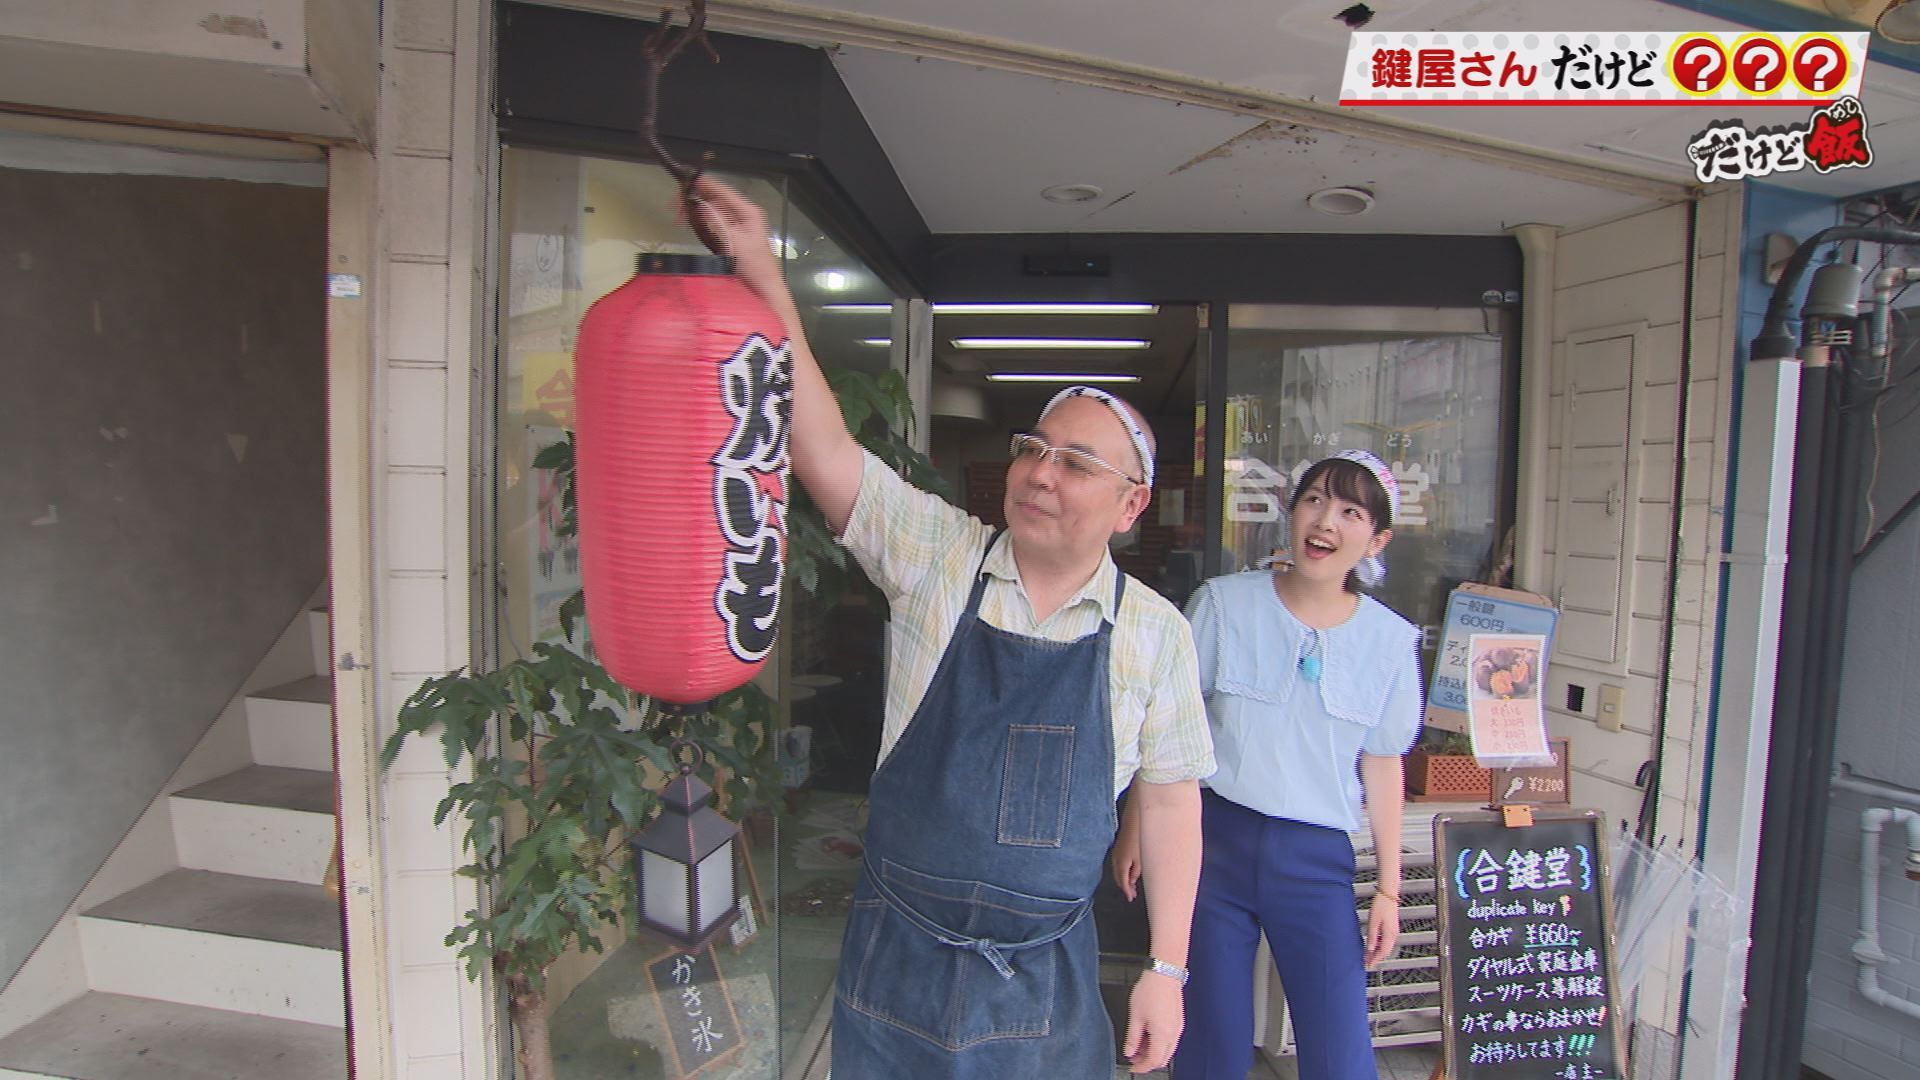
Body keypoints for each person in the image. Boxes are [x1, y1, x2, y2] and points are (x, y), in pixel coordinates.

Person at [688, 179, 1214, 1079]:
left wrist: (1166, 967)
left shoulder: (1156, 634)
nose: (1042, 473)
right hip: (898, 959)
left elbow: (1169, 803)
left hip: (1042, 979)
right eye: (1034, 448)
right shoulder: (938, 553)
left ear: (1131, 504)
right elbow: (819, 447)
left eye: (1077, 462)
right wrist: (760, 275)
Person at [1113, 450, 1423, 1080]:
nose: (1326, 522)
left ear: (1377, 538)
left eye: (1350, 511)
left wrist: (1389, 887)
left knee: (1339, 1049)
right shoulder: (1224, 605)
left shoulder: (1390, 642)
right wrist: (1134, 830)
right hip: (1214, 843)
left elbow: (1384, 764)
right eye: (1313, 500)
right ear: (1291, 509)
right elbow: (1169, 729)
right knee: (1209, 1042)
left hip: (1317, 861)